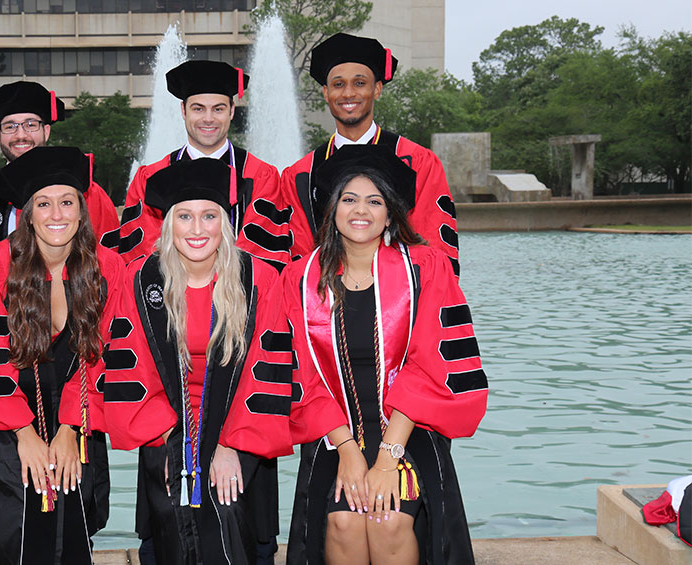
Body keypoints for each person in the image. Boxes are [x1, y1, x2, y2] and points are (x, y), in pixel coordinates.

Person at [242, 144, 487, 564]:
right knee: (344, 522)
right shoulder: (300, 280)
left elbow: (432, 364)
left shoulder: (425, 268)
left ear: (390, 214)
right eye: (349, 199)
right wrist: (350, 453)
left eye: (375, 201)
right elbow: (298, 374)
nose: (361, 210)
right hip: (333, 432)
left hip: (410, 431)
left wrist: (387, 459)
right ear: (332, 210)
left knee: (386, 520)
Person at [0, 146, 124, 564]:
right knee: (18, 540)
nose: (56, 214)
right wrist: (24, 434)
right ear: (28, 214)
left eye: (67, 202)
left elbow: (107, 359)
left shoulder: (108, 268)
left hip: (78, 419)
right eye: (43, 203)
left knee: (74, 534)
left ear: (82, 211)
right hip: (1, 426)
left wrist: (69, 428)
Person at [103, 158, 285, 564]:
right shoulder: (141, 280)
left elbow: (267, 374)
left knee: (228, 510)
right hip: (166, 429)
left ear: (226, 223)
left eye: (209, 216)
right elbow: (131, 373)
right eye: (184, 216)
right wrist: (176, 443)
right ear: (169, 225)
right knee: (172, 514)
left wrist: (228, 444)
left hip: (239, 430)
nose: (198, 229)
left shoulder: (259, 280)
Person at [278, 34, 460, 275]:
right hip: (326, 300)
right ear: (325, 93)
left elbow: (434, 249)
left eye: (360, 83)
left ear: (377, 89)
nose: (348, 93)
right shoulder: (301, 174)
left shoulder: (417, 161)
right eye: (338, 84)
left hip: (403, 300)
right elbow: (299, 254)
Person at [118, 60, 291, 270]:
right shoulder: (152, 177)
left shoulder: (260, 175)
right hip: (170, 294)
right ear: (183, 111)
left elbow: (263, 252)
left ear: (232, 111)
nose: (208, 119)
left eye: (218, 109)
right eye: (198, 109)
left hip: (238, 296)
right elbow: (142, 250)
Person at [0, 81, 120, 257]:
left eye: (31, 124)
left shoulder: (88, 192)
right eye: (10, 126)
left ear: (46, 131)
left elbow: (108, 261)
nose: (20, 135)